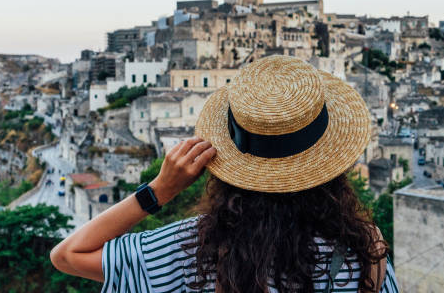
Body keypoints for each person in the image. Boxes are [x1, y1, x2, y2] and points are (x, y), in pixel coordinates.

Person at [51, 55, 400, 292]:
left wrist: (159, 190)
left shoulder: (189, 251)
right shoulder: (365, 250)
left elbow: (68, 255)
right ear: (331, 164)